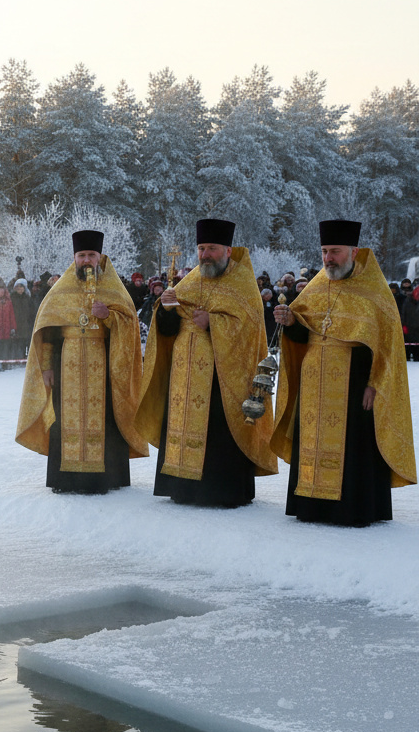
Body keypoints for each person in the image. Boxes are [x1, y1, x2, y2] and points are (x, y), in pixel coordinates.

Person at [271, 219, 416, 526]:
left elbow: (388, 347)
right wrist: (290, 322)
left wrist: (374, 384)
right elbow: (302, 334)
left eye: (334, 251)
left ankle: (352, 510)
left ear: (354, 251)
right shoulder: (316, 286)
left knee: (352, 451)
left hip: (353, 388)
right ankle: (310, 506)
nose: (328, 259)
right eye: (324, 251)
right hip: (313, 387)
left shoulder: (375, 292)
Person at [135, 219, 277, 507]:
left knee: (217, 431)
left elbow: (250, 331)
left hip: (221, 381)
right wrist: (166, 310)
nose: (205, 254)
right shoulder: (191, 281)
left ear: (227, 250)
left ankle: (220, 491)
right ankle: (182, 488)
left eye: (212, 248)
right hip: (183, 377)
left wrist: (213, 322)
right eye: (201, 248)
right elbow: (168, 328)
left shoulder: (242, 283)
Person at [16, 230, 148, 493]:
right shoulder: (60, 289)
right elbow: (47, 331)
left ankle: (107, 477)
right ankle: (65, 479)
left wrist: (108, 315)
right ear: (74, 258)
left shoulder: (113, 288)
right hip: (66, 367)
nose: (86, 260)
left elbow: (129, 325)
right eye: (81, 255)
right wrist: (47, 367)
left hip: (106, 367)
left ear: (100, 257)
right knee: (64, 419)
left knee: (107, 417)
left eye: (91, 255)